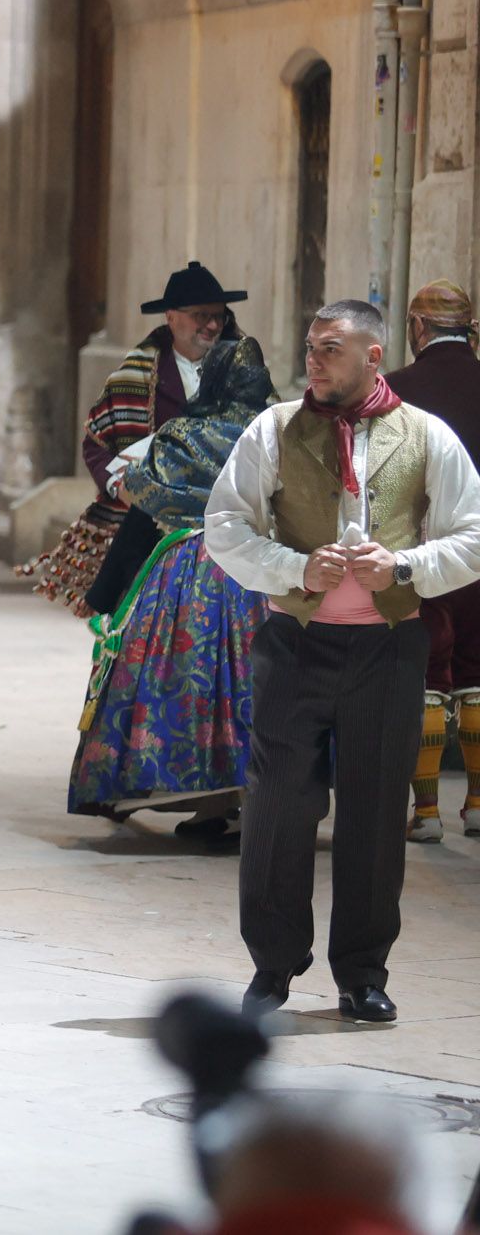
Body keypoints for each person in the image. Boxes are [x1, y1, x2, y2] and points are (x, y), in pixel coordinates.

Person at [205, 300, 480, 1023]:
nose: (314, 360)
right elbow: (224, 526)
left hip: (388, 650)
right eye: (311, 346)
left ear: (373, 356)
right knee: (278, 805)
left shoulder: (426, 435)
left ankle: (362, 973)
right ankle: (272, 966)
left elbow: (474, 535)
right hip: (295, 646)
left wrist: (407, 566)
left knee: (375, 812)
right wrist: (295, 568)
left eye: (330, 348)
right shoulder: (274, 428)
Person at [67, 337, 275, 825]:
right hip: (259, 570)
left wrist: (106, 594)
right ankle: (259, 802)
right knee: (254, 681)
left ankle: (208, 807)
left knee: (189, 682)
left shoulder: (182, 434)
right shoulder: (275, 434)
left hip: (185, 574)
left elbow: (144, 500)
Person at [22, 262, 258, 615]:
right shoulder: (133, 376)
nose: (212, 325)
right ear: (172, 318)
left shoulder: (243, 370)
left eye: (218, 317)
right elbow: (97, 444)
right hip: (148, 531)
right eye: (200, 316)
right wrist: (122, 486)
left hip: (221, 524)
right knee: (139, 622)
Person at [384, 279, 480, 841]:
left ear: (418, 328)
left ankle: (424, 814)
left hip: (421, 550)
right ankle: (476, 804)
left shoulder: (393, 390)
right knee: (476, 674)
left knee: (428, 673)